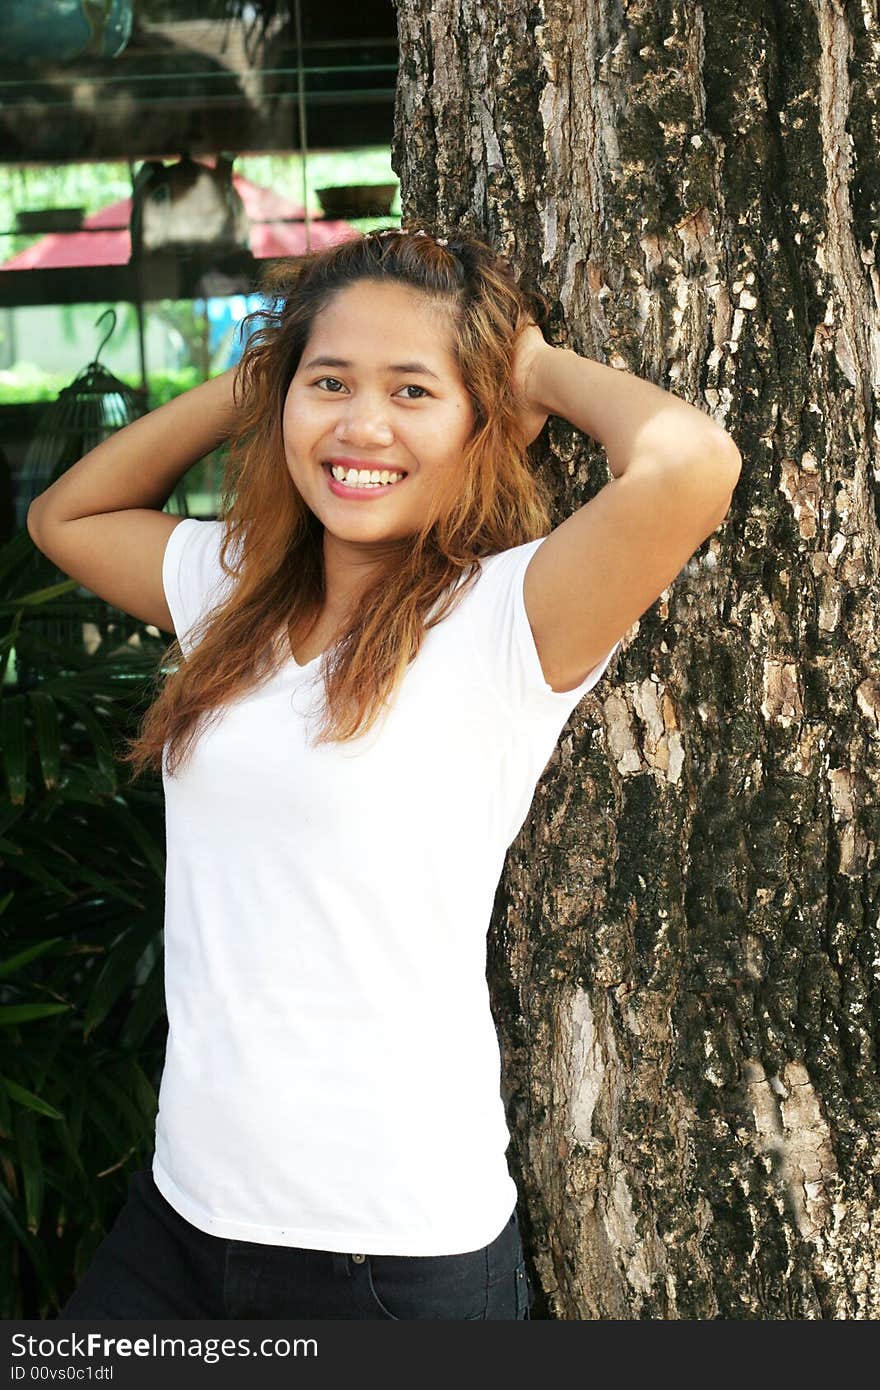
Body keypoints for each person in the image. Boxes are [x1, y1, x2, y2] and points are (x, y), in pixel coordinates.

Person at [28, 224, 741, 1320]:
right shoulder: (230, 591)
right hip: (183, 1216)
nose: (361, 425)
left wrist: (533, 366)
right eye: (330, 384)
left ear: (479, 422)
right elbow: (63, 514)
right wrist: (260, 378)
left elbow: (691, 462)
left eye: (416, 391)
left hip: (382, 1261)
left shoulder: (511, 614)